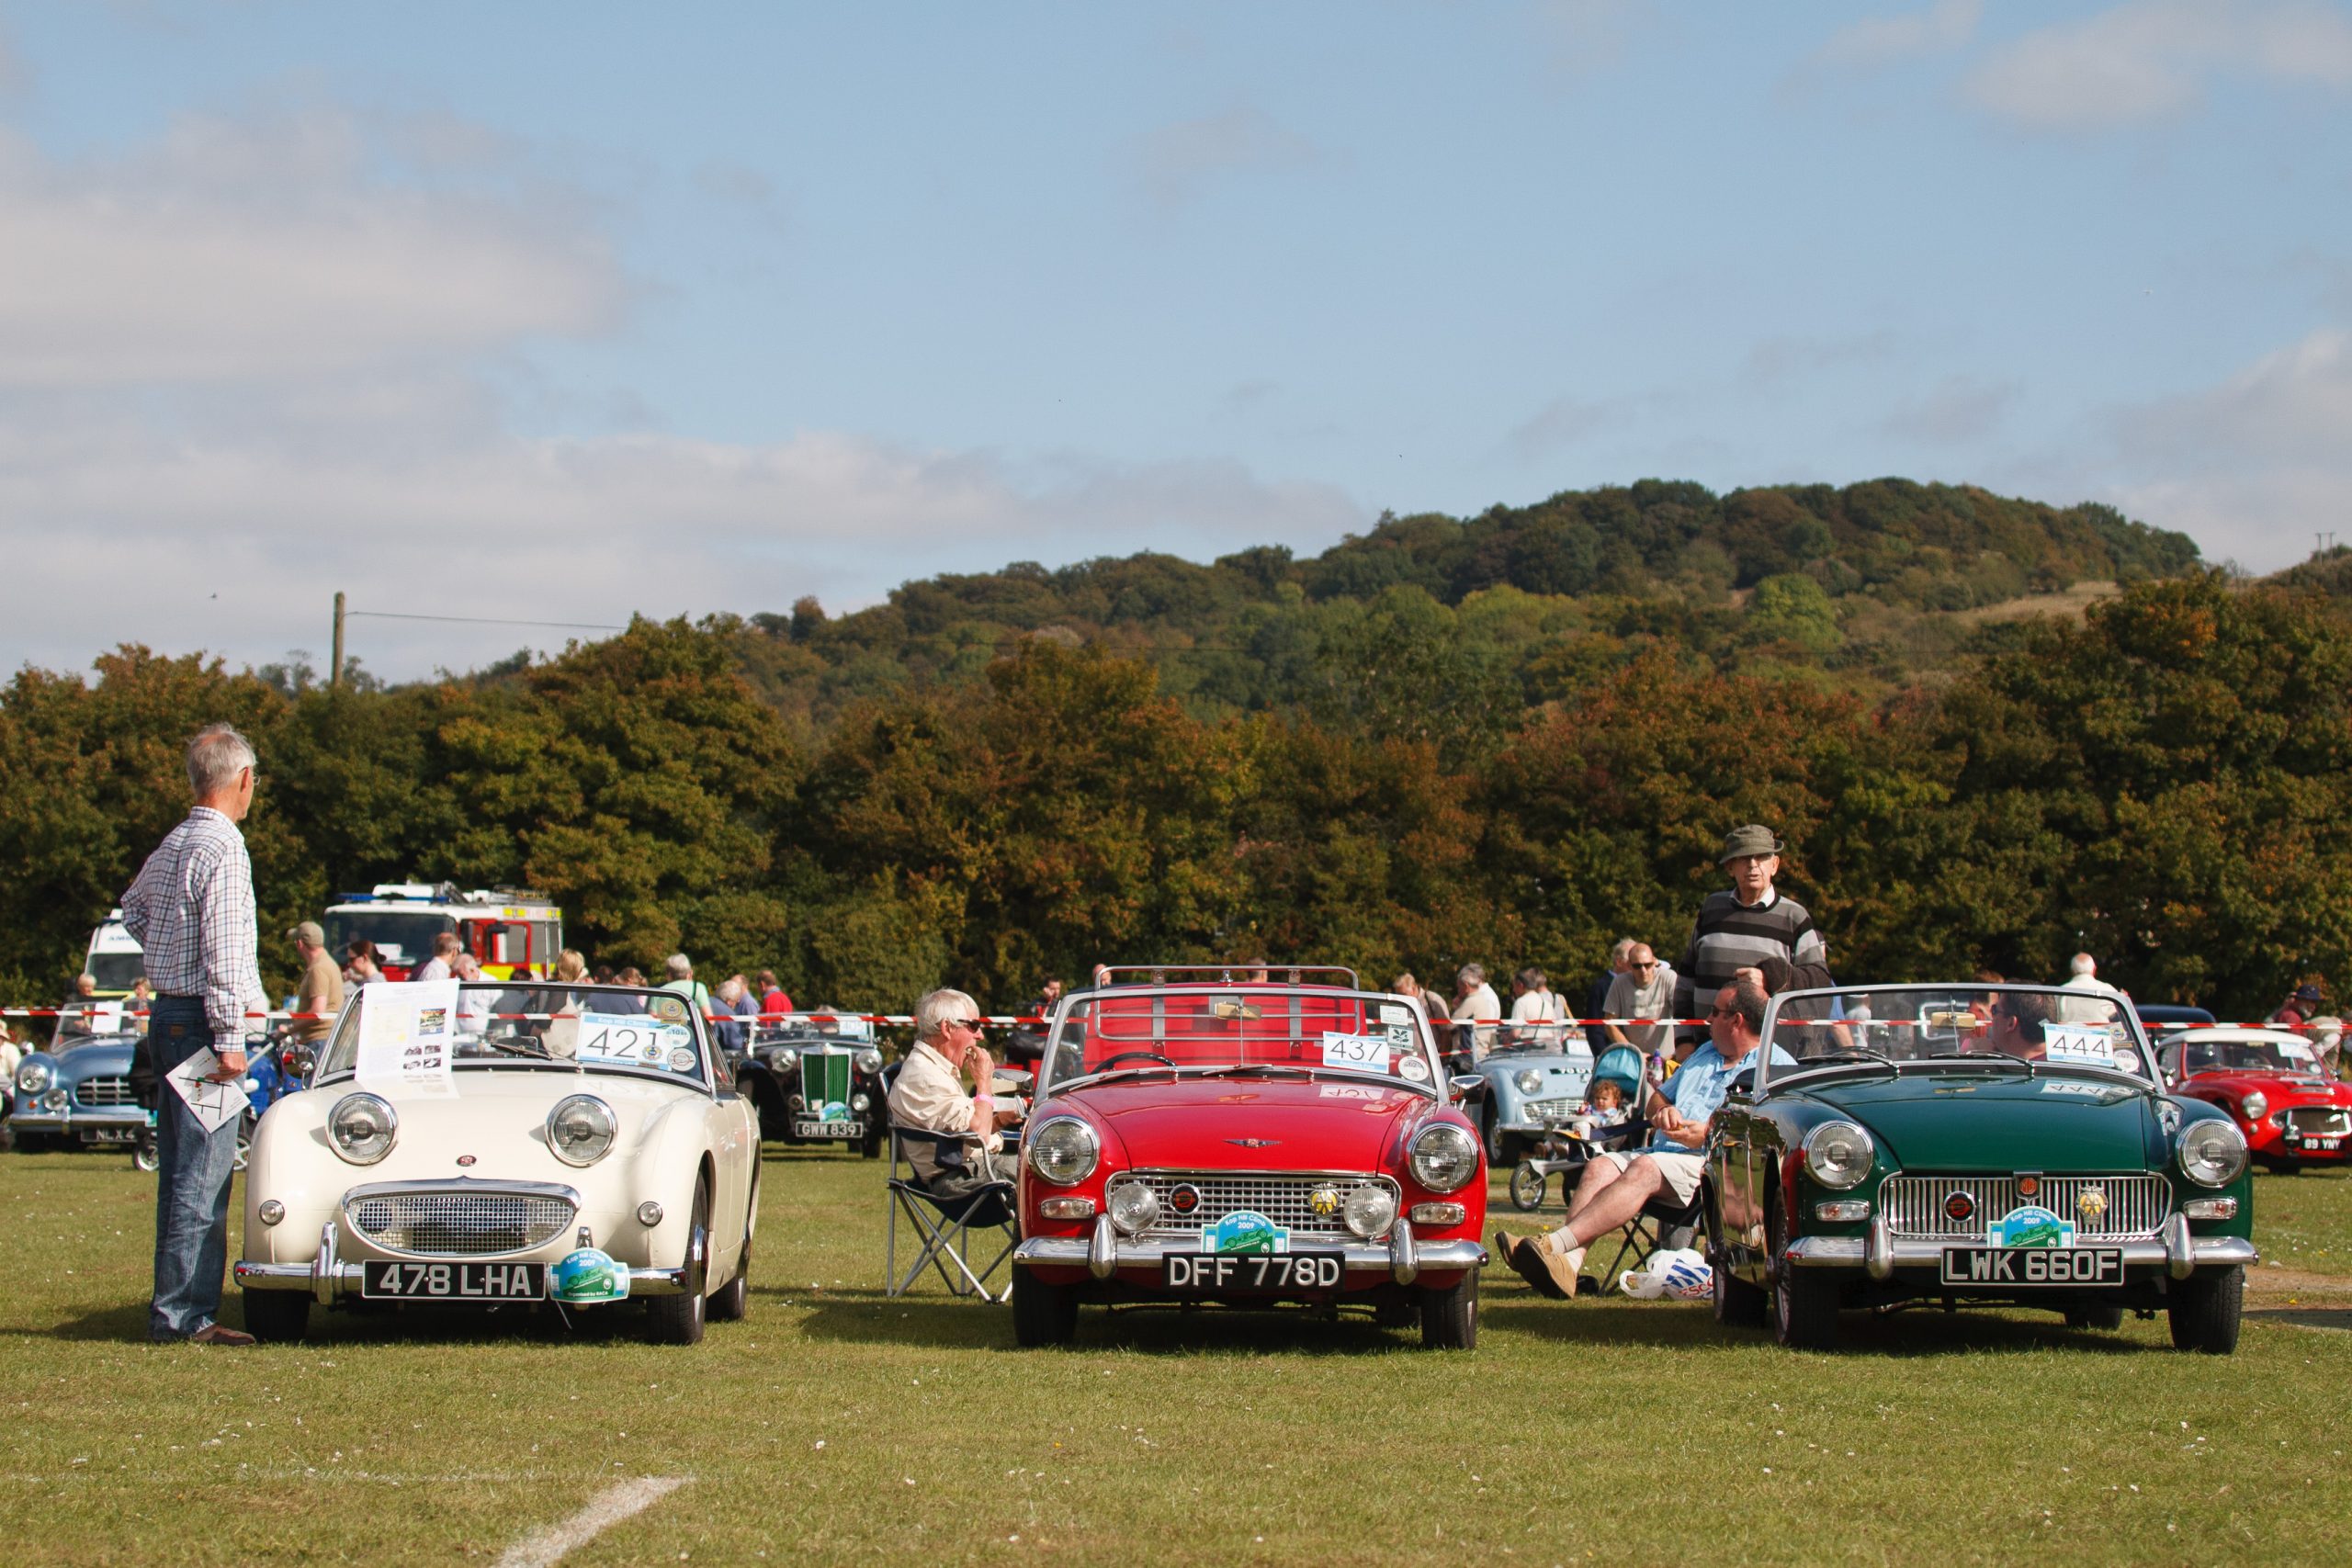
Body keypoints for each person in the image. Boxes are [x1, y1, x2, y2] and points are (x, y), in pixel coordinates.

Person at [1496, 980, 1789, 1299]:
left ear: (1737, 1020)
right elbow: (1656, 1099)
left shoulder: (1774, 1065)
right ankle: (1568, 1266)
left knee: (1646, 1168)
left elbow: (1772, 1128)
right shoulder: (1705, 1053)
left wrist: (1707, 1134)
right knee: (1600, 1166)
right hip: (1664, 1153)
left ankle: (1552, 1244)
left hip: (1714, 1168)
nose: (1707, 1020)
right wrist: (1663, 1111)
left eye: (1714, 1013)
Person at [119, 723, 267, 1346]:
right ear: (244, 779)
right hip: (206, 1024)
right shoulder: (224, 847)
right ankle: (184, 1315)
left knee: (184, 1165)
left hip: (171, 1014)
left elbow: (132, 908)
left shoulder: (175, 841)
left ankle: (179, 1307)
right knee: (203, 1172)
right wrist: (231, 1035)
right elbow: (228, 952)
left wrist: (163, 952)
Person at [1672, 826, 1828, 1029]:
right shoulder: (1711, 909)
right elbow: (1686, 981)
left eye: (1761, 857)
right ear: (1730, 867)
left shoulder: (1794, 916)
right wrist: (1684, 1040)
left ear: (1774, 865)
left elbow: (1820, 984)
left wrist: (1770, 979)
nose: (1753, 865)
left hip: (1767, 1052)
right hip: (1705, 1047)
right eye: (1744, 858)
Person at [885, 988, 1023, 1205]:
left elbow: (963, 1132)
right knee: (1047, 1175)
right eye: (974, 1026)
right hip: (957, 1181)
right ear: (947, 1028)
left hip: (967, 1170)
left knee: (1045, 1166)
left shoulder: (932, 1069)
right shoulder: (924, 1076)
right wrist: (984, 1081)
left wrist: (999, 1121)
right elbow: (978, 1132)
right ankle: (1031, 1240)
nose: (980, 1035)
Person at [1604, 943, 1675, 1055]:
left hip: (1667, 1059)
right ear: (1629, 965)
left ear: (1654, 962)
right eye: (1637, 966)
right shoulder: (1619, 982)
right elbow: (1609, 1023)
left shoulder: (1669, 977)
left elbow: (1682, 1014)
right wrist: (1635, 1053)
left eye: (1647, 965)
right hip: (1633, 1060)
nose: (1643, 970)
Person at [287, 921, 344, 1047]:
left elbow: (317, 1010)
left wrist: (289, 1029)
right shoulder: (329, 963)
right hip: (326, 1038)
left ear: (300, 943)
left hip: (319, 1040)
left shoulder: (318, 969)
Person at [1449, 963, 1500, 1064]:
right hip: (1481, 1052)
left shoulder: (1472, 1001)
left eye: (1459, 987)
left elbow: (1449, 1025)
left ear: (1466, 986)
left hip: (1469, 1056)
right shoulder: (1484, 998)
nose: (1458, 991)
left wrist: (1456, 1007)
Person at [2054, 953, 2125, 1024]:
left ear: (2072, 970)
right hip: (2103, 1035)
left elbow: (2051, 1019)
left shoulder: (2059, 992)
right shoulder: (2109, 991)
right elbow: (2117, 1017)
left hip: (2066, 1035)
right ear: (2094, 969)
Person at [1507, 966, 1567, 1047]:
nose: (1513, 990)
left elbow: (1515, 1033)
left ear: (1521, 985)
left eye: (1514, 986)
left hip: (1529, 1051)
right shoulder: (1546, 1003)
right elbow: (1555, 1031)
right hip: (1550, 1049)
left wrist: (1506, 1038)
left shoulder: (1520, 1003)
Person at [660, 953, 713, 1019]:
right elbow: (710, 1019)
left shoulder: (660, 991)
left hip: (666, 1028)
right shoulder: (698, 988)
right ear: (689, 973)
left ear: (669, 975)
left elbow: (651, 1019)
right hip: (690, 1028)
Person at [450, 953, 492, 1034]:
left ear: (472, 970)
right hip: (460, 1036)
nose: (459, 977)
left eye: (461, 975)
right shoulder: (457, 984)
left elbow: (498, 1009)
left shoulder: (491, 982)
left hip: (483, 1035)